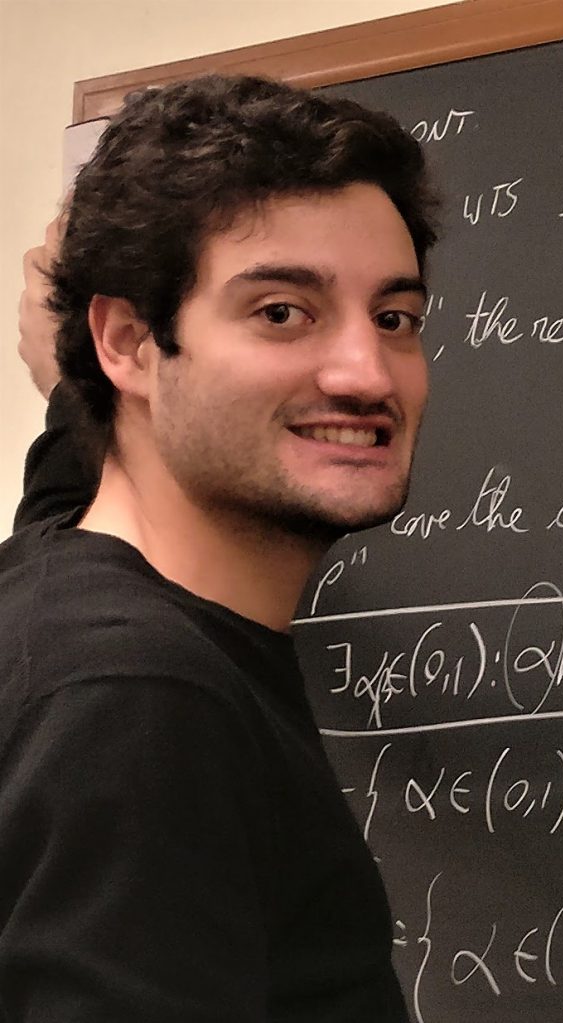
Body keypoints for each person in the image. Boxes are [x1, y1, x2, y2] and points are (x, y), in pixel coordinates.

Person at [0, 74, 439, 1022]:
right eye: (282, 311)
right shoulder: (137, 701)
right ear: (128, 340)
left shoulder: (59, 583)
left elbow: (74, 480)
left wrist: (78, 380)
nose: (368, 372)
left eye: (395, 318)